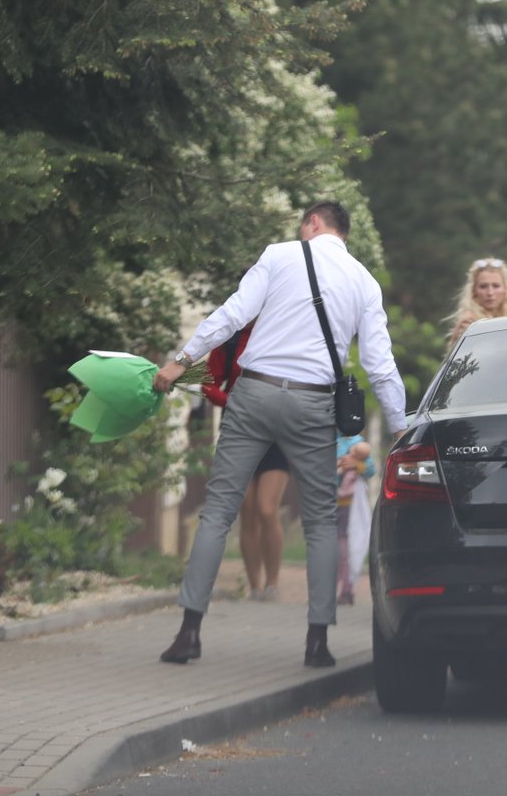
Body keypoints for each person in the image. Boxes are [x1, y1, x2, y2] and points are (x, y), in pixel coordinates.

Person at [153, 201, 407, 668]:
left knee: (218, 513)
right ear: (343, 233)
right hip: (314, 404)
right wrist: (401, 429)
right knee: (318, 524)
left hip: (254, 394)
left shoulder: (279, 254)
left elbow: (232, 314)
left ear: (313, 222)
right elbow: (379, 362)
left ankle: (189, 632)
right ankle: (317, 643)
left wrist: (182, 359)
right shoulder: (365, 283)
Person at [201, 323, 289, 602]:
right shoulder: (230, 341)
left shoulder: (284, 332)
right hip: (237, 429)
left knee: (266, 508)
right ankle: (255, 586)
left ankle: (273, 583)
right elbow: (208, 384)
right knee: (247, 510)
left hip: (276, 431)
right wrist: (230, 400)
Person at [335, 433, 375, 606]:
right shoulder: (325, 437)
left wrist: (357, 464)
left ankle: (346, 588)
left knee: (344, 547)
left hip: (346, 505)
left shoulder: (356, 441)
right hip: (327, 500)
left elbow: (371, 469)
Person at [446, 257, 507, 349]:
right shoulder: (469, 324)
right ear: (474, 290)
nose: (490, 292)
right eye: (483, 286)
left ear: (505, 289)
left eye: (496, 286)